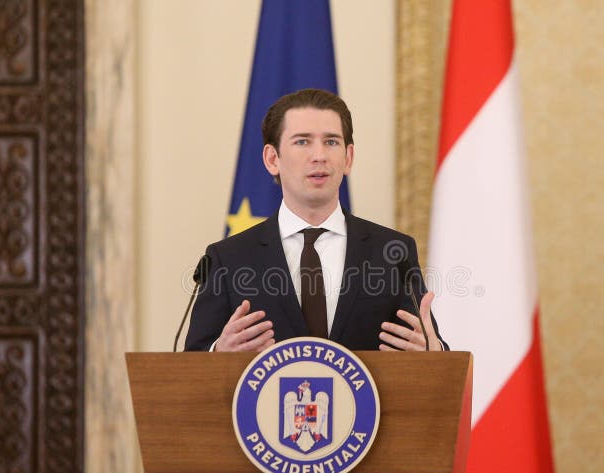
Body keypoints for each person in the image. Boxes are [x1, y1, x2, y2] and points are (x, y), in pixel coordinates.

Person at [184, 88, 447, 354]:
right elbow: (191, 366)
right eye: (302, 142)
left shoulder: (393, 252)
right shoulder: (228, 258)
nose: (319, 155)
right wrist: (218, 353)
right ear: (272, 159)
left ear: (348, 158)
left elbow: (427, 347)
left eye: (331, 142)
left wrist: (434, 354)